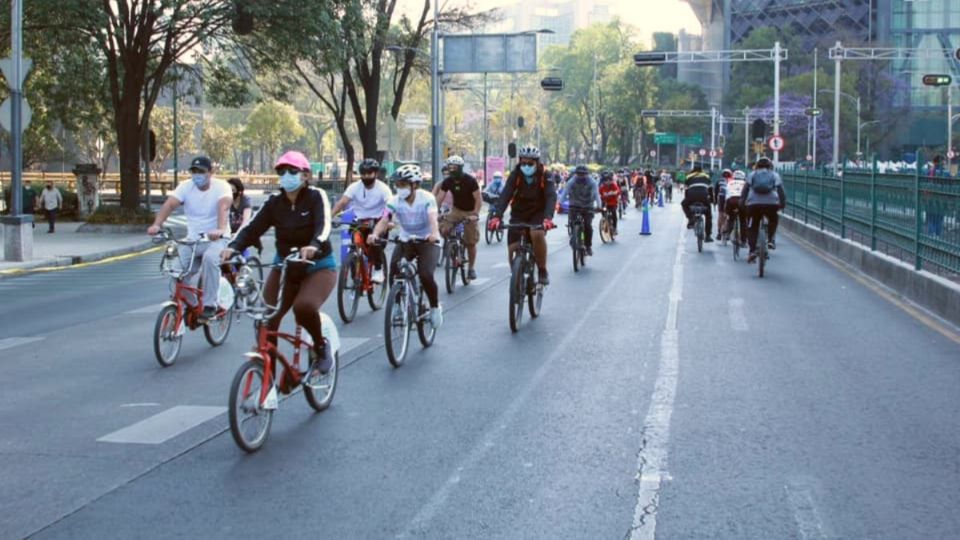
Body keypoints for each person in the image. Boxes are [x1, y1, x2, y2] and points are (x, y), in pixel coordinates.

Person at [222, 150, 337, 377]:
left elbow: (324, 226)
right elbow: (252, 228)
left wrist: (313, 245)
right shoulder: (274, 202)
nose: (286, 176)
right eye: (281, 172)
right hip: (284, 266)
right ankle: (268, 375)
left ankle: (321, 348)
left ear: (305, 176)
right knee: (266, 316)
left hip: (318, 266)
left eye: (292, 171)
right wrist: (233, 247)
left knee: (303, 308)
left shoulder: (316, 196)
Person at [148, 156, 232, 321]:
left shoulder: (221, 187)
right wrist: (156, 225)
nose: (197, 175)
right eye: (194, 171)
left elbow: (224, 205)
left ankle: (210, 305)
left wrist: (220, 229)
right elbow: (169, 205)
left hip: (216, 239)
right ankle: (192, 305)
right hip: (192, 240)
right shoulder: (186, 187)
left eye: (201, 172)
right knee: (176, 270)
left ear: (211, 172)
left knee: (210, 259)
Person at [370, 163, 444, 327]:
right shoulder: (394, 201)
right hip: (406, 240)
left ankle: (434, 307)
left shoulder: (427, 198)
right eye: (397, 185)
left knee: (425, 275)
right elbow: (384, 219)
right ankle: (396, 305)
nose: (399, 188)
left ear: (415, 185)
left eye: (403, 184)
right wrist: (375, 234)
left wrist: (433, 234)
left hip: (427, 241)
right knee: (394, 270)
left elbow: (432, 218)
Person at [488, 145, 557, 285]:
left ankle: (542, 270)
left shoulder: (546, 175)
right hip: (518, 212)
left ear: (537, 163)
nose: (526, 166)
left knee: (536, 234)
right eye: (523, 163)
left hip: (538, 212)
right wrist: (497, 216)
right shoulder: (515, 174)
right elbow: (505, 194)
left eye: (530, 163)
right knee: (512, 248)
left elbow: (551, 197)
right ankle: (516, 275)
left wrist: (548, 218)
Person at [329, 158, 392, 283]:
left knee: (374, 242)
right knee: (354, 248)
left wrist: (388, 221)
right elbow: (342, 202)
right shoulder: (354, 187)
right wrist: (329, 217)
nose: (366, 176)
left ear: (375, 173)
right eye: (363, 174)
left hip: (378, 221)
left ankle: (378, 270)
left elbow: (389, 207)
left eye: (369, 173)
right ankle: (356, 279)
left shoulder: (384, 189)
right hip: (359, 221)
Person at [436, 155, 482, 280]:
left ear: (460, 168)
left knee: (471, 243)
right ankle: (453, 249)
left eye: (455, 167)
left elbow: (478, 199)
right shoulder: (448, 181)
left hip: (470, 211)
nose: (452, 169)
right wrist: (435, 212)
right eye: (450, 167)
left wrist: (475, 214)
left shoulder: (470, 181)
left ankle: (471, 268)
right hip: (456, 210)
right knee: (444, 229)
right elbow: (439, 198)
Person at [740, 157, 786, 262]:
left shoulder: (752, 174)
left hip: (754, 204)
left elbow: (745, 190)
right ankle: (770, 240)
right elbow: (780, 190)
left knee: (752, 227)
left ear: (757, 166)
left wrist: (742, 203)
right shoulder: (774, 175)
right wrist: (782, 203)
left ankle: (752, 251)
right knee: (773, 219)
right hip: (771, 203)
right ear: (770, 166)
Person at [561, 164, 601, 256]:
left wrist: (599, 205)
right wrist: (560, 202)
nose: (581, 176)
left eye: (583, 174)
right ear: (576, 174)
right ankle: (574, 236)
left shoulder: (592, 182)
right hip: (574, 205)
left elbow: (596, 194)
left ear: (587, 174)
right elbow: (565, 192)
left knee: (588, 225)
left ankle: (588, 246)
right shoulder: (571, 182)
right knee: (572, 222)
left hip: (588, 206)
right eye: (579, 174)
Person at [681, 163, 714, 243]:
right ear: (701, 170)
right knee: (708, 215)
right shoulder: (706, 176)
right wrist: (712, 200)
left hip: (692, 196)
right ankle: (708, 235)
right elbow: (710, 189)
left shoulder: (689, 176)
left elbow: (686, 189)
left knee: (683, 204)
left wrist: (687, 200)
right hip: (704, 196)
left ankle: (690, 219)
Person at [723, 170, 748, 245]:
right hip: (742, 202)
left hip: (731, 201)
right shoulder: (745, 183)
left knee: (731, 218)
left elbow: (726, 195)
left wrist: (725, 209)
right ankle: (743, 240)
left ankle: (727, 234)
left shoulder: (730, 183)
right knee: (743, 221)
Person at [598, 170, 621, 234]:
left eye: (609, 180)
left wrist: (613, 193)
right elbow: (598, 193)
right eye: (606, 180)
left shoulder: (614, 185)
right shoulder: (602, 187)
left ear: (611, 180)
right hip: (605, 203)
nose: (608, 182)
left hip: (613, 203)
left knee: (614, 213)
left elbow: (617, 191)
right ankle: (604, 221)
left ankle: (615, 228)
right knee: (602, 210)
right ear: (604, 181)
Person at [715, 169, 732, 237]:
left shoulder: (719, 181)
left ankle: (719, 232)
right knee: (729, 214)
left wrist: (715, 202)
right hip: (729, 198)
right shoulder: (732, 181)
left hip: (721, 198)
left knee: (720, 214)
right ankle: (727, 230)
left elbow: (716, 192)